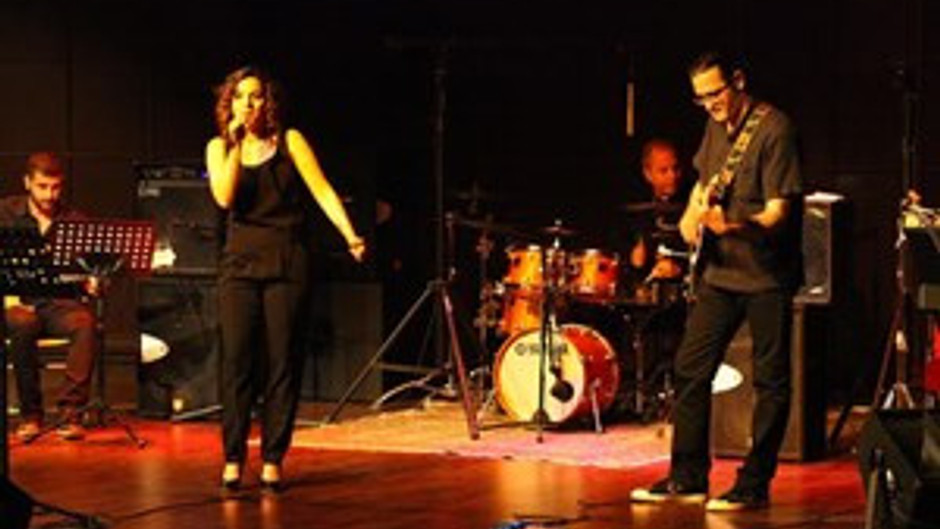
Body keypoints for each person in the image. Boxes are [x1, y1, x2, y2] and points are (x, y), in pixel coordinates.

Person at [630, 51, 803, 511]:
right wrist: (692, 216)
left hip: (767, 275)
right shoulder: (713, 126)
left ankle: (754, 483)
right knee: (691, 368)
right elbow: (706, 181)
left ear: (738, 81)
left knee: (770, 382)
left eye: (716, 93)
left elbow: (779, 212)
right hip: (721, 274)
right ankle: (687, 477)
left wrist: (733, 226)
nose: (710, 104)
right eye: (701, 98)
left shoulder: (775, 129)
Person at [205, 66, 366, 493]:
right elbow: (224, 196)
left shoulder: (291, 141)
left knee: (282, 362)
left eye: (256, 96)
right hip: (239, 264)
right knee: (237, 361)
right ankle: (233, 457)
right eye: (240, 97)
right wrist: (235, 144)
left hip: (287, 261)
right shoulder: (219, 147)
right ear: (230, 104)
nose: (249, 104)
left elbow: (322, 190)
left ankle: (273, 457)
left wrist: (350, 234)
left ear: (268, 102)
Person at [0, 152, 98, 442]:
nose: (49, 195)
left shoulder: (74, 220)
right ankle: (30, 415)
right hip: (17, 301)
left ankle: (70, 413)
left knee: (84, 323)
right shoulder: (5, 213)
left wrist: (92, 280)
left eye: (55, 188)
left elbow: (86, 270)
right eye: (42, 186)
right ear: (27, 183)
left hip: (57, 304)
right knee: (23, 323)